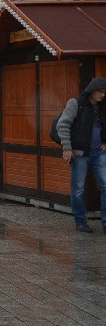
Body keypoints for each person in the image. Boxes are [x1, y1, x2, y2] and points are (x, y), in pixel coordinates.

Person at [56, 77, 106, 233]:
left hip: (100, 153)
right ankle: (80, 221)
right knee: (78, 189)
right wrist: (67, 148)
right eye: (100, 91)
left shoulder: (103, 106)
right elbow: (62, 125)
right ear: (92, 90)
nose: (103, 95)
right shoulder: (76, 103)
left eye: (105, 92)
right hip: (79, 154)